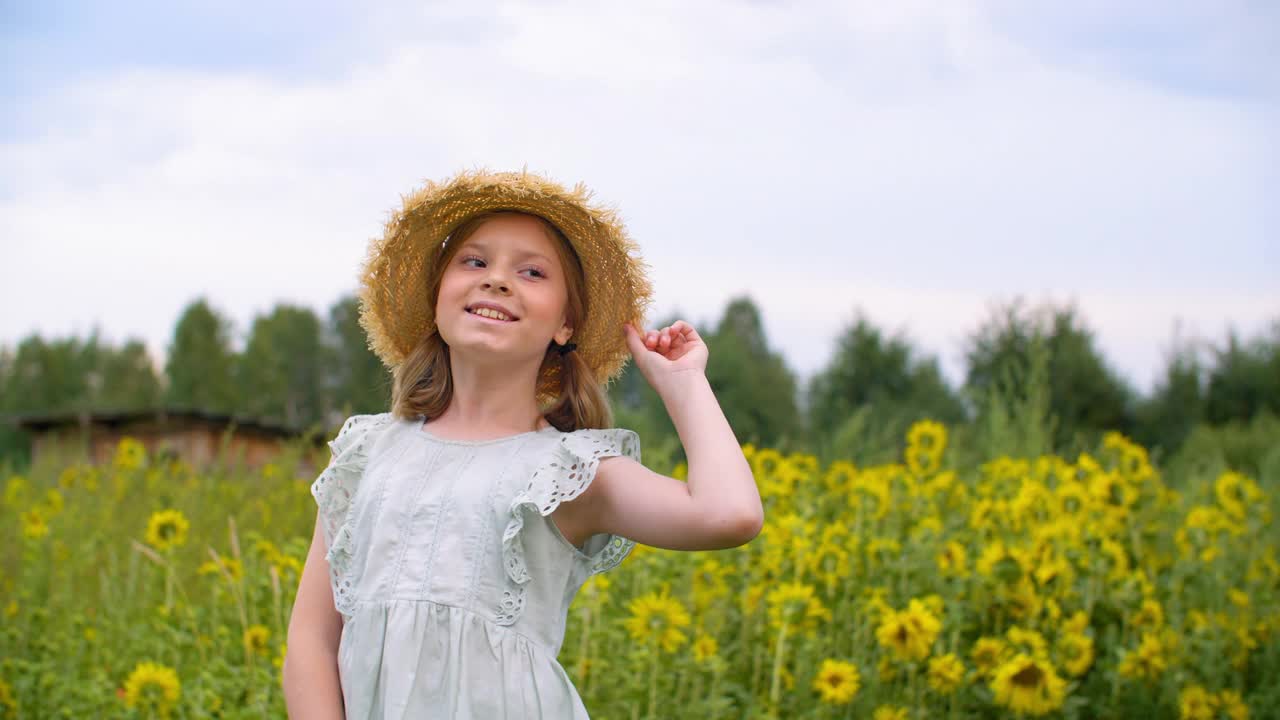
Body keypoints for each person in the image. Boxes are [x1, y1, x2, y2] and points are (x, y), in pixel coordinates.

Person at [282, 168, 764, 719]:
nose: (497, 280)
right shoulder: (368, 454)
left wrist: (685, 386)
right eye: (474, 261)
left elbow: (730, 515)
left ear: (565, 323)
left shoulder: (567, 472)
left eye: (532, 271)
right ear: (437, 298)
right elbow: (312, 639)